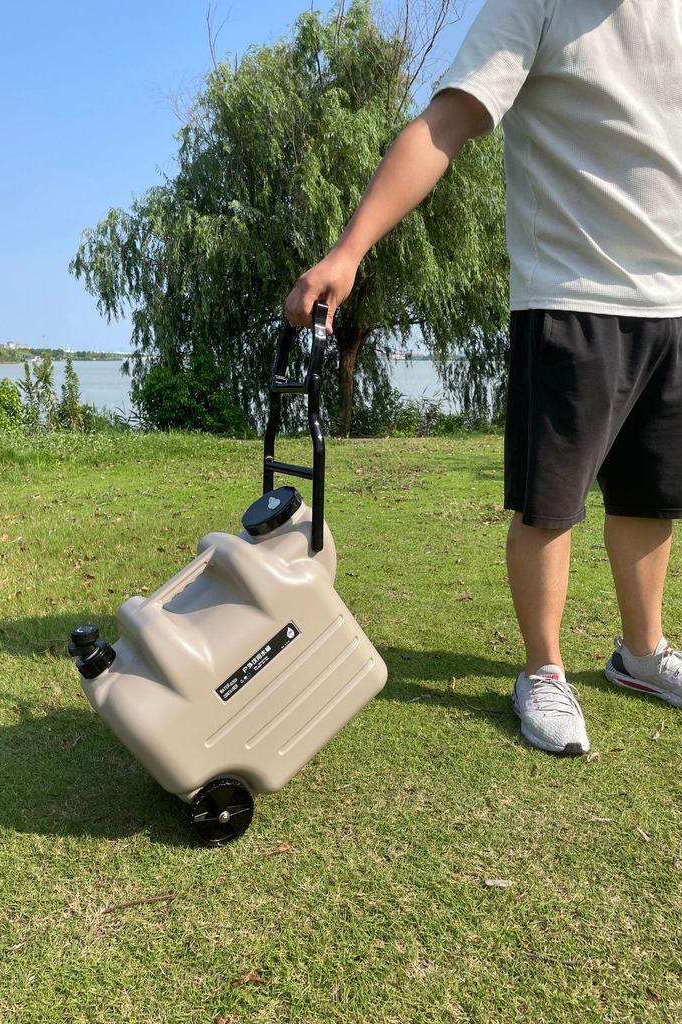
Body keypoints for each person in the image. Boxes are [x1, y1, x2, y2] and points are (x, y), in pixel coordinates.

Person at [285, 0, 682, 755]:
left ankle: (641, 653)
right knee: (549, 507)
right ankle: (542, 671)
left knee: (652, 495)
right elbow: (444, 125)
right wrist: (349, 250)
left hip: (673, 301)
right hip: (572, 296)